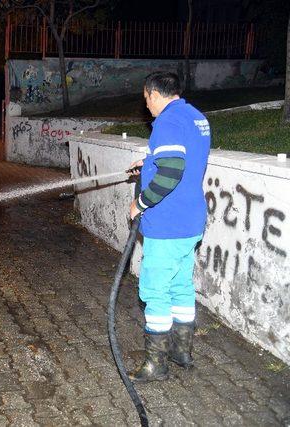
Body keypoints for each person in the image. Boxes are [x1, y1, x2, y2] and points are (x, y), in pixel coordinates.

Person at [127, 71, 210, 382]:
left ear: (154, 94)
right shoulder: (195, 117)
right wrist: (147, 163)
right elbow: (180, 161)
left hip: (168, 223)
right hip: (191, 221)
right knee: (180, 285)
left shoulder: (167, 121)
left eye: (146, 99)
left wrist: (141, 203)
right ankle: (182, 351)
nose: (146, 106)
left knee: (155, 290)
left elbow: (171, 171)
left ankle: (156, 364)